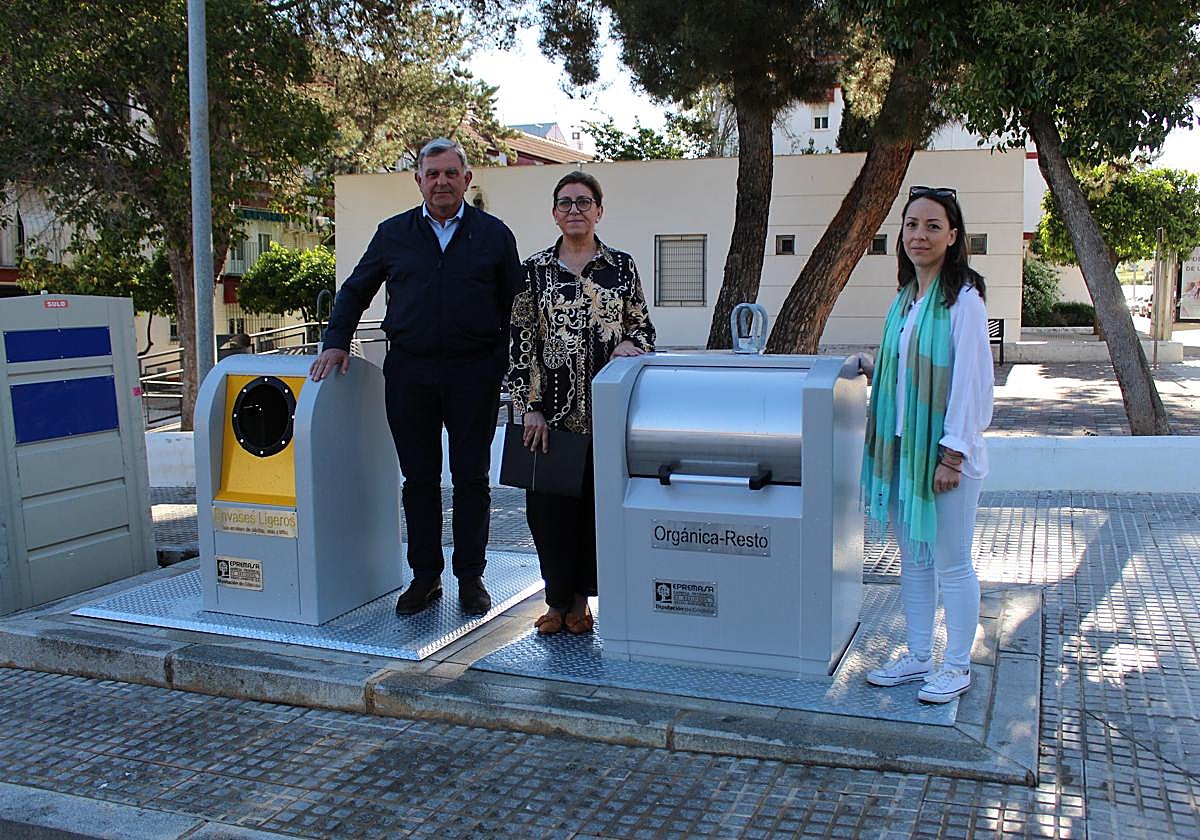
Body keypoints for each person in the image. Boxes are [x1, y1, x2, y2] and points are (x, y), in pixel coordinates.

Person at [310, 138, 522, 616]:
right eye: (433, 174)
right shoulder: (393, 233)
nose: (442, 182)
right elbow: (355, 290)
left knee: (472, 478)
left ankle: (471, 577)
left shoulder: (494, 235)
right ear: (419, 180)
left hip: (474, 373)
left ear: (467, 179)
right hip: (410, 372)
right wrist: (336, 341)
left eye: (451, 173)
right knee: (418, 479)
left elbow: (517, 305)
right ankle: (425, 577)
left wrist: (502, 362)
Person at [858, 185, 994, 704]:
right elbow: (903, 370)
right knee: (914, 560)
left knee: (952, 563)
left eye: (933, 226)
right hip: (902, 450)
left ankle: (956, 665)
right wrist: (870, 369)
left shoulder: (964, 301)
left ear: (953, 236)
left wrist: (952, 453)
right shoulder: (906, 299)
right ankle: (918, 656)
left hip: (943, 457)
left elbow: (971, 383)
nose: (920, 235)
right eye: (912, 224)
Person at [508, 171, 655, 635]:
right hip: (549, 419)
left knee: (596, 513)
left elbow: (643, 329)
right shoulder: (532, 271)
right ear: (554, 213)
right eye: (566, 202)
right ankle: (555, 601)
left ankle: (581, 603)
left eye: (584, 202)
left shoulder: (621, 267)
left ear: (599, 211)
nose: (575, 209)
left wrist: (631, 344)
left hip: (607, 419)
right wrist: (529, 406)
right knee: (548, 516)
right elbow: (520, 342)